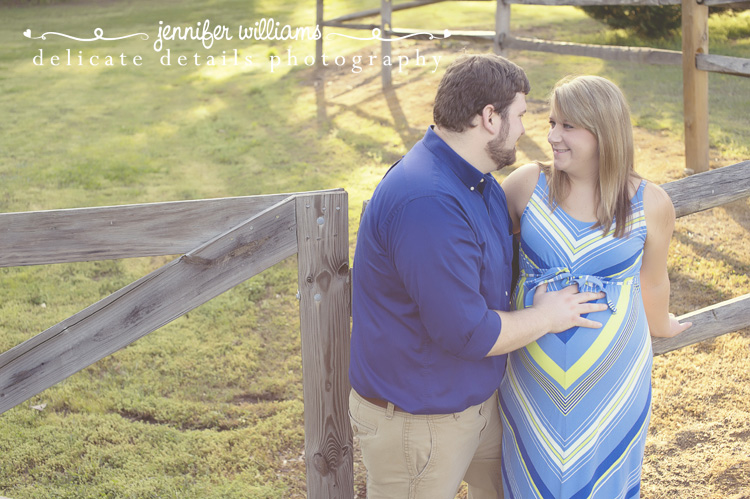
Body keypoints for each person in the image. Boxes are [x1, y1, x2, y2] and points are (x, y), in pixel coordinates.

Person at [348, 55, 609, 499]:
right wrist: (548, 315)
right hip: (419, 421)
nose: (530, 131)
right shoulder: (426, 201)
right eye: (522, 116)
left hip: (477, 405)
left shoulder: (478, 182)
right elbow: (468, 332)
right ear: (490, 118)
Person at [498, 75, 691, 498]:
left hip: (614, 386)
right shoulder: (528, 184)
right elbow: (482, 253)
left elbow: (653, 281)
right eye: (551, 122)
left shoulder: (650, 203)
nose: (551, 136)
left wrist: (663, 325)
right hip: (533, 383)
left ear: (604, 131)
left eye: (568, 126)